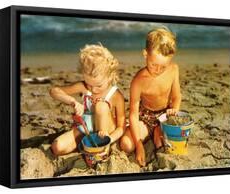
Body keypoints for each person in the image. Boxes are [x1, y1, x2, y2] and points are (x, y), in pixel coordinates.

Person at [120, 27, 182, 166]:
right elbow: (133, 115)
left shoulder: (173, 70)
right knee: (126, 145)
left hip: (164, 115)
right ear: (145, 54)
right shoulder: (138, 81)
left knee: (163, 143)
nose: (158, 70)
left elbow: (177, 97)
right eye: (154, 65)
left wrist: (175, 110)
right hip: (145, 117)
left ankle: (156, 134)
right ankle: (149, 135)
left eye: (163, 66)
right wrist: (139, 145)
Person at [50, 44, 126, 156]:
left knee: (101, 106)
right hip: (86, 127)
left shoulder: (115, 95)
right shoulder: (83, 86)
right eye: (89, 84)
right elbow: (54, 91)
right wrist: (73, 101)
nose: (93, 89)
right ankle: (87, 144)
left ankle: (102, 146)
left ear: (110, 76)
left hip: (105, 131)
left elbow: (121, 127)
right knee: (57, 147)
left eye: (98, 85)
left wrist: (110, 138)